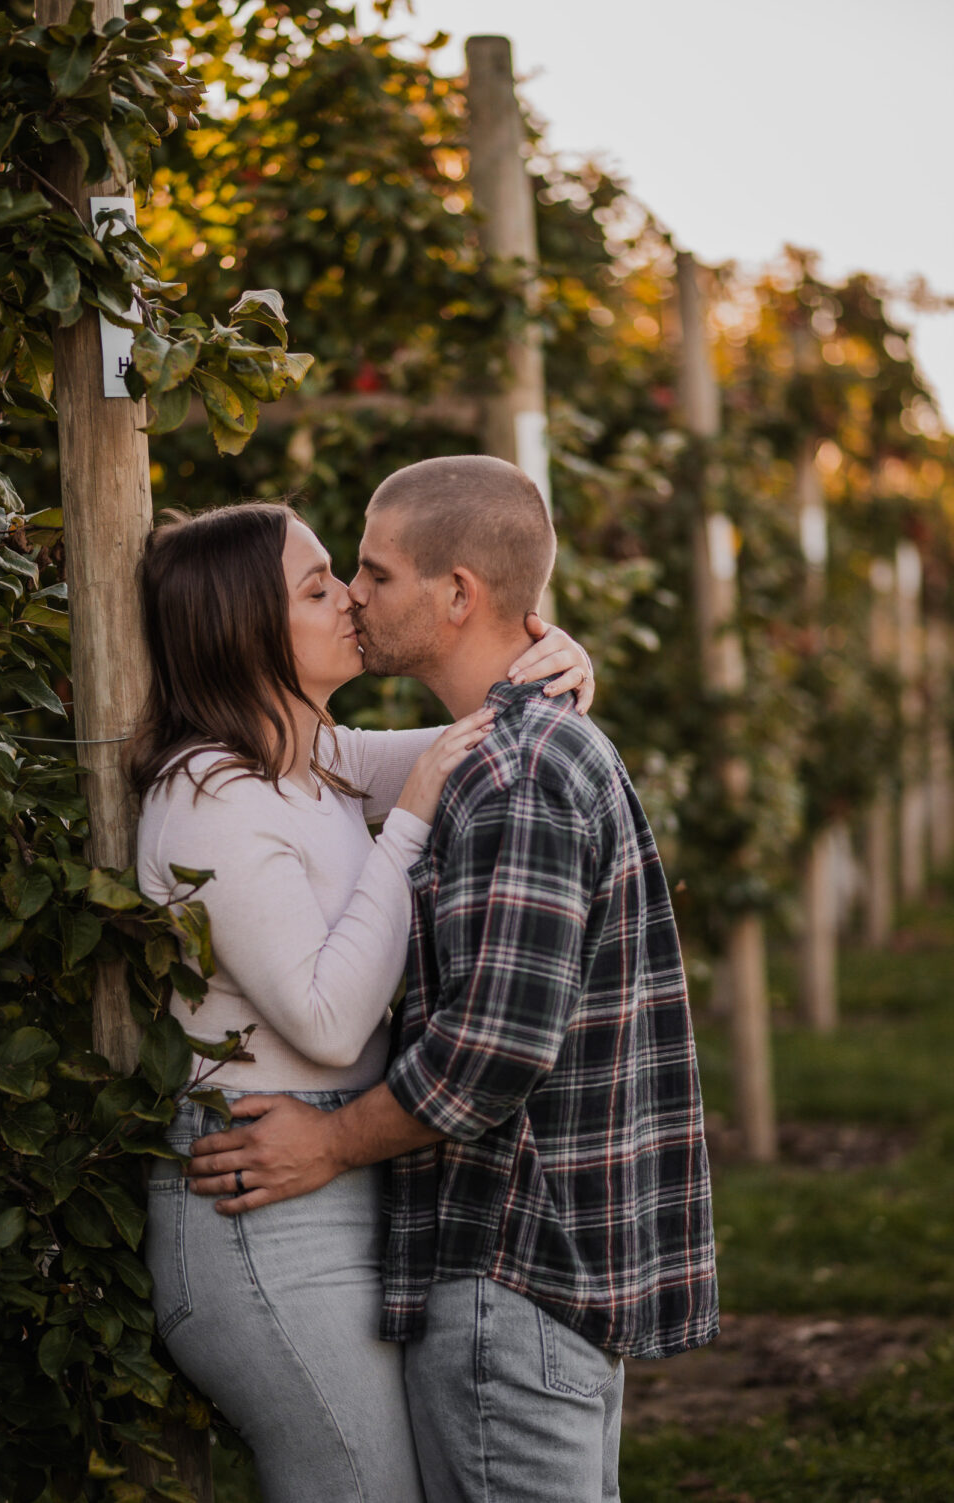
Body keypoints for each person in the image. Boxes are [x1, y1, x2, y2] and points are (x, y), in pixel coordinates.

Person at [188, 457, 719, 1503]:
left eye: (375, 574)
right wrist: (543, 663)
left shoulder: (514, 777)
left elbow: (492, 1054)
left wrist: (329, 1140)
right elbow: (331, 757)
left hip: (510, 1262)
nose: (354, 596)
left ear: (459, 593)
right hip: (546, 1259)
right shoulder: (517, 748)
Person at [131, 498, 595, 1503]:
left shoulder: (312, 763)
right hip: (254, 1207)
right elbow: (331, 1018)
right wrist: (412, 820)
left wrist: (549, 656)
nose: (347, 597)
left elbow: (477, 732)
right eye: (314, 588)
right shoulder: (207, 798)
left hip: (341, 1181)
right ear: (244, 632)